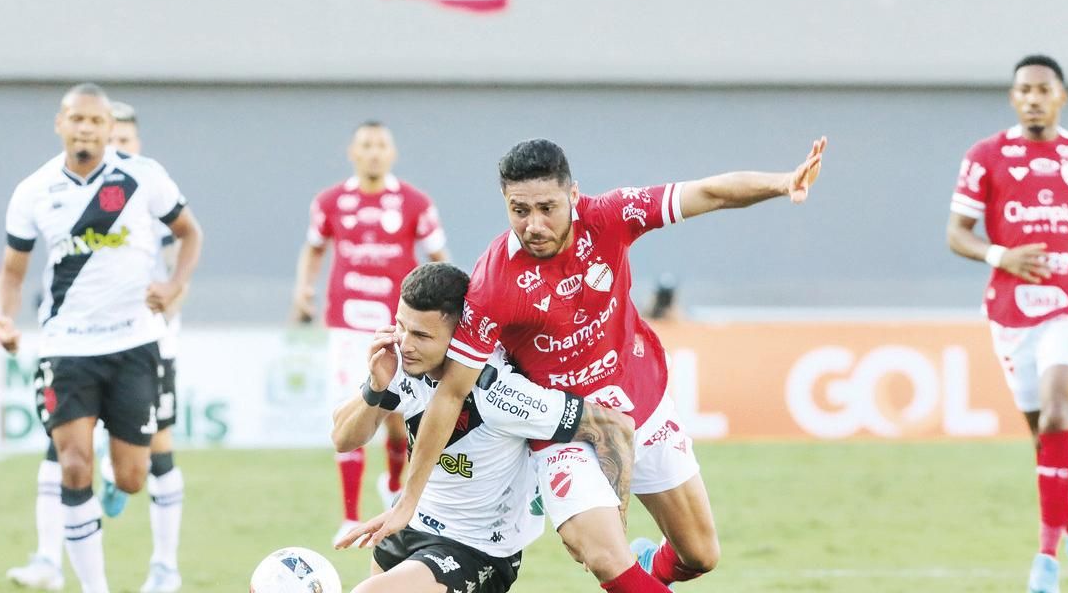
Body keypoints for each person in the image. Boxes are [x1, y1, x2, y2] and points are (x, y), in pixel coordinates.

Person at [341, 136, 828, 593]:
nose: (534, 224)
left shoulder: (612, 217)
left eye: (547, 208)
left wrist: (782, 182)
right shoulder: (493, 283)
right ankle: (622, 563)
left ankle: (645, 567)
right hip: (561, 425)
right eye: (519, 210)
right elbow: (450, 393)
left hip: (641, 399)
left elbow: (708, 193)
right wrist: (407, 502)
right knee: (598, 551)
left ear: (573, 194)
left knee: (699, 555)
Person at [0, 84, 203, 593]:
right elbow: (13, 273)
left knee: (134, 476)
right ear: (60, 124)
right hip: (67, 348)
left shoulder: (142, 177)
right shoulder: (33, 191)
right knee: (72, 464)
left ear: (111, 129)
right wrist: (4, 317)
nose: (85, 128)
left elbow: (190, 232)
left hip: (134, 346)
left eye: (95, 120)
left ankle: (117, 480)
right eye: (76, 119)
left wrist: (174, 286)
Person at [947, 54, 1068, 593]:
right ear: (1014, 98)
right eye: (1023, 90)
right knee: (1044, 441)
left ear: (1061, 96)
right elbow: (957, 232)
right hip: (1010, 312)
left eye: (1042, 89)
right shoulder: (985, 156)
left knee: (1058, 414)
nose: (1033, 97)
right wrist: (999, 256)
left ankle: (1046, 562)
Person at [331, 262, 635, 593]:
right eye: (401, 326)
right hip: (407, 524)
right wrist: (374, 388)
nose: (405, 344)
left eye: (421, 335)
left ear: (460, 334)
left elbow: (613, 427)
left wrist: (616, 531)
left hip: (475, 550)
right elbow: (343, 439)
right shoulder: (404, 362)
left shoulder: (501, 391)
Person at [292, 121, 449, 545]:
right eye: (367, 145)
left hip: (398, 326)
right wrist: (304, 289)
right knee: (356, 407)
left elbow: (439, 258)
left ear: (392, 153)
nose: (374, 152)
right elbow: (314, 247)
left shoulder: (415, 202)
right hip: (346, 324)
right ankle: (349, 514)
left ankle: (394, 485)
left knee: (398, 419)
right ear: (353, 152)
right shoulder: (330, 202)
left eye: (381, 145)